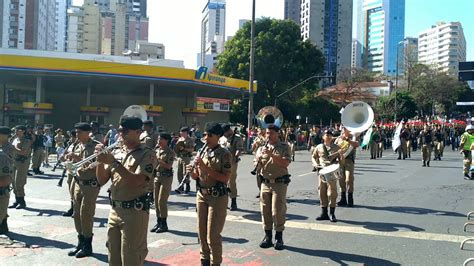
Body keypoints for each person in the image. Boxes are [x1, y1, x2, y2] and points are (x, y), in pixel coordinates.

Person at [96, 116, 156, 266]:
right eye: (120, 130)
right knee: (113, 257)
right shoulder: (117, 151)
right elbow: (101, 180)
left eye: (124, 131)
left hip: (134, 212)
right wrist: (99, 160)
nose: (120, 134)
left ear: (137, 132)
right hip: (115, 210)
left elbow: (137, 181)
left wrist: (114, 163)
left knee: (131, 257)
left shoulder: (147, 154)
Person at [187, 122, 231, 265]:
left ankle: (215, 262)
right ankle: (204, 260)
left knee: (213, 235)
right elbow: (198, 176)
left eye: (210, 135)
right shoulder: (202, 151)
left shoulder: (224, 154)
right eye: (205, 135)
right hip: (202, 195)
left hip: (217, 197)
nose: (206, 138)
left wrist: (205, 167)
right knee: (201, 233)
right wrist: (192, 172)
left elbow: (225, 178)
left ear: (218, 136)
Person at [66, 123, 102, 258]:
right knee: (76, 214)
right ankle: (80, 242)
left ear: (88, 133)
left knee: (86, 214)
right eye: (76, 132)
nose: (77, 135)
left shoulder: (96, 147)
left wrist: (77, 159)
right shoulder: (77, 145)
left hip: (90, 185)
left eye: (79, 132)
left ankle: (87, 245)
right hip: (77, 183)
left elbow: (95, 166)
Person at [256, 125, 291, 250]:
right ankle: (268, 236)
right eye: (267, 133)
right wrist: (258, 162)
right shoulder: (261, 148)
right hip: (265, 183)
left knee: (277, 210)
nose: (268, 135)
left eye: (271, 133)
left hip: (279, 183)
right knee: (265, 210)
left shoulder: (284, 147)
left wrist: (271, 155)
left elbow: (285, 163)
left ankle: (279, 237)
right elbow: (257, 166)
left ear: (277, 133)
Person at [312, 129, 343, 222]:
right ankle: (324, 212)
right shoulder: (319, 147)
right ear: (323, 137)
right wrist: (315, 164)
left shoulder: (337, 148)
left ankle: (332, 213)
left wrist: (341, 157)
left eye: (330, 135)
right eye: (326, 135)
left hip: (332, 172)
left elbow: (342, 162)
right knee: (322, 192)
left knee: (332, 193)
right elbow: (314, 157)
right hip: (322, 171)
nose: (328, 136)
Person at [150, 132, 175, 233]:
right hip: (157, 176)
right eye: (158, 139)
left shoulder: (170, 152)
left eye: (161, 139)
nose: (158, 141)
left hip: (166, 178)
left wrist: (158, 160)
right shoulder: (156, 150)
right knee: (156, 201)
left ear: (166, 140)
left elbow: (169, 166)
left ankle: (164, 224)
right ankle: (158, 222)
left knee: (161, 201)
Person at [334, 127, 359, 207]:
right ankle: (343, 199)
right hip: (340, 161)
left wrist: (348, 140)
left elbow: (357, 144)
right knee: (341, 180)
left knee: (349, 179)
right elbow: (334, 148)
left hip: (349, 161)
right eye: (343, 128)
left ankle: (350, 198)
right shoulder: (338, 139)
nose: (344, 130)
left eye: (346, 129)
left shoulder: (353, 137)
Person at [221, 124, 243, 211]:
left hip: (232, 163)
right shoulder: (222, 138)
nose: (224, 134)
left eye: (225, 133)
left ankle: (233, 201)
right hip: (222, 163)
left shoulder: (237, 138)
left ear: (229, 131)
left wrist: (237, 154)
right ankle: (223, 201)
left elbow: (239, 149)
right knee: (222, 182)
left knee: (231, 182)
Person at [9, 125, 32, 209]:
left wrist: (13, 148)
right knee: (13, 183)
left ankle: (22, 202)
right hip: (13, 162)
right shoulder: (14, 139)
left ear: (23, 131)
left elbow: (23, 152)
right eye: (15, 130)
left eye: (18, 130)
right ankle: (17, 200)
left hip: (22, 163)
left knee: (19, 182)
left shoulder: (26, 141)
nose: (16, 132)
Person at [0, 126, 15, 234]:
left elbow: (8, 161)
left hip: (6, 174)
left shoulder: (9, 148)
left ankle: (3, 224)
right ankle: (3, 224)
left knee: (3, 205)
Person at [61, 130, 79, 217]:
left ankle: (76, 209)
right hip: (70, 170)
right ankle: (72, 208)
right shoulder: (71, 145)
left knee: (76, 191)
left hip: (77, 171)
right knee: (71, 191)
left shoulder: (81, 146)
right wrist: (63, 158)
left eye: (73, 137)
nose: (72, 139)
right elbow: (65, 155)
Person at [174, 126, 195, 194]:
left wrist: (184, 148)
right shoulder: (180, 139)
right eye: (180, 132)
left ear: (186, 133)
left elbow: (191, 149)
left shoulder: (190, 140)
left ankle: (187, 185)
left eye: (182, 132)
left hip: (186, 158)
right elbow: (177, 148)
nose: (181, 133)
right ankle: (181, 186)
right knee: (179, 173)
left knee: (185, 172)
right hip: (180, 157)